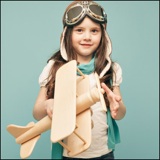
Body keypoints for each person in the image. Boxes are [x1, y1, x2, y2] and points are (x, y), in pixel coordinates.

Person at [33, 1, 126, 159]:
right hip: (69, 153)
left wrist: (116, 106)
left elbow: (120, 113)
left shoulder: (111, 69)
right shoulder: (54, 68)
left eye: (94, 31)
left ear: (103, 34)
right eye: (80, 30)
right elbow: (37, 113)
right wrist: (48, 103)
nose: (87, 37)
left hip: (104, 153)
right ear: (67, 34)